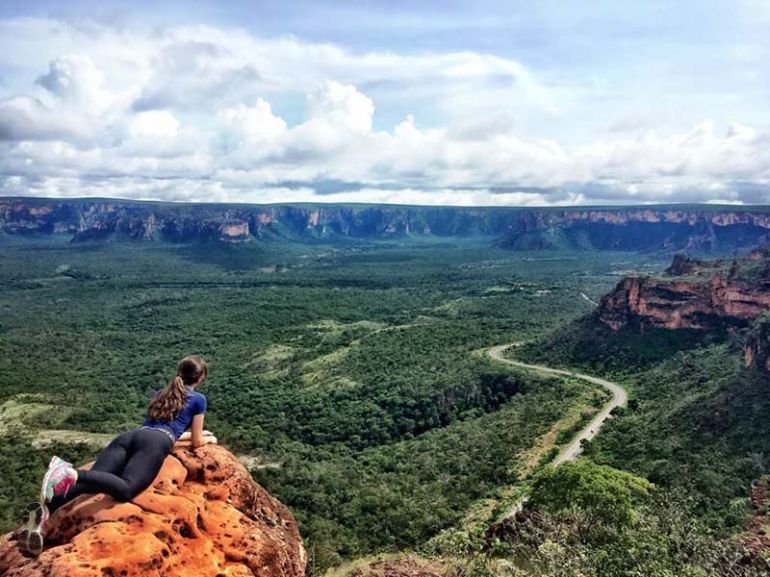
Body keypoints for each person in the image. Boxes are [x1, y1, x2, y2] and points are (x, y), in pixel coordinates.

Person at [16, 355, 217, 557]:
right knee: (126, 489)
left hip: (130, 437)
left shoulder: (161, 393)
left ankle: (42, 515)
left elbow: (161, 429)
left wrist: (185, 436)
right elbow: (196, 442)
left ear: (179, 372)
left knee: (92, 484)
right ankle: (71, 472)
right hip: (154, 443)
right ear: (200, 378)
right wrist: (209, 439)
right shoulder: (199, 400)